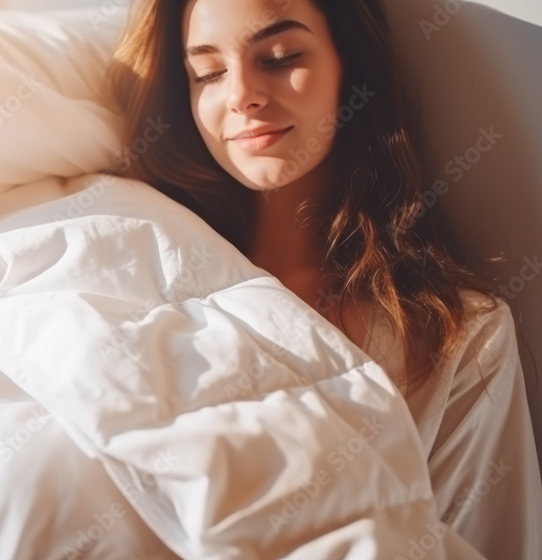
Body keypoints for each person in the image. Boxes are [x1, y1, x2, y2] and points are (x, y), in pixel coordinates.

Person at [105, 0, 542, 557]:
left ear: (350, 66)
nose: (241, 94)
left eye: (280, 55)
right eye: (208, 72)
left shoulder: (460, 335)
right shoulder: (131, 278)